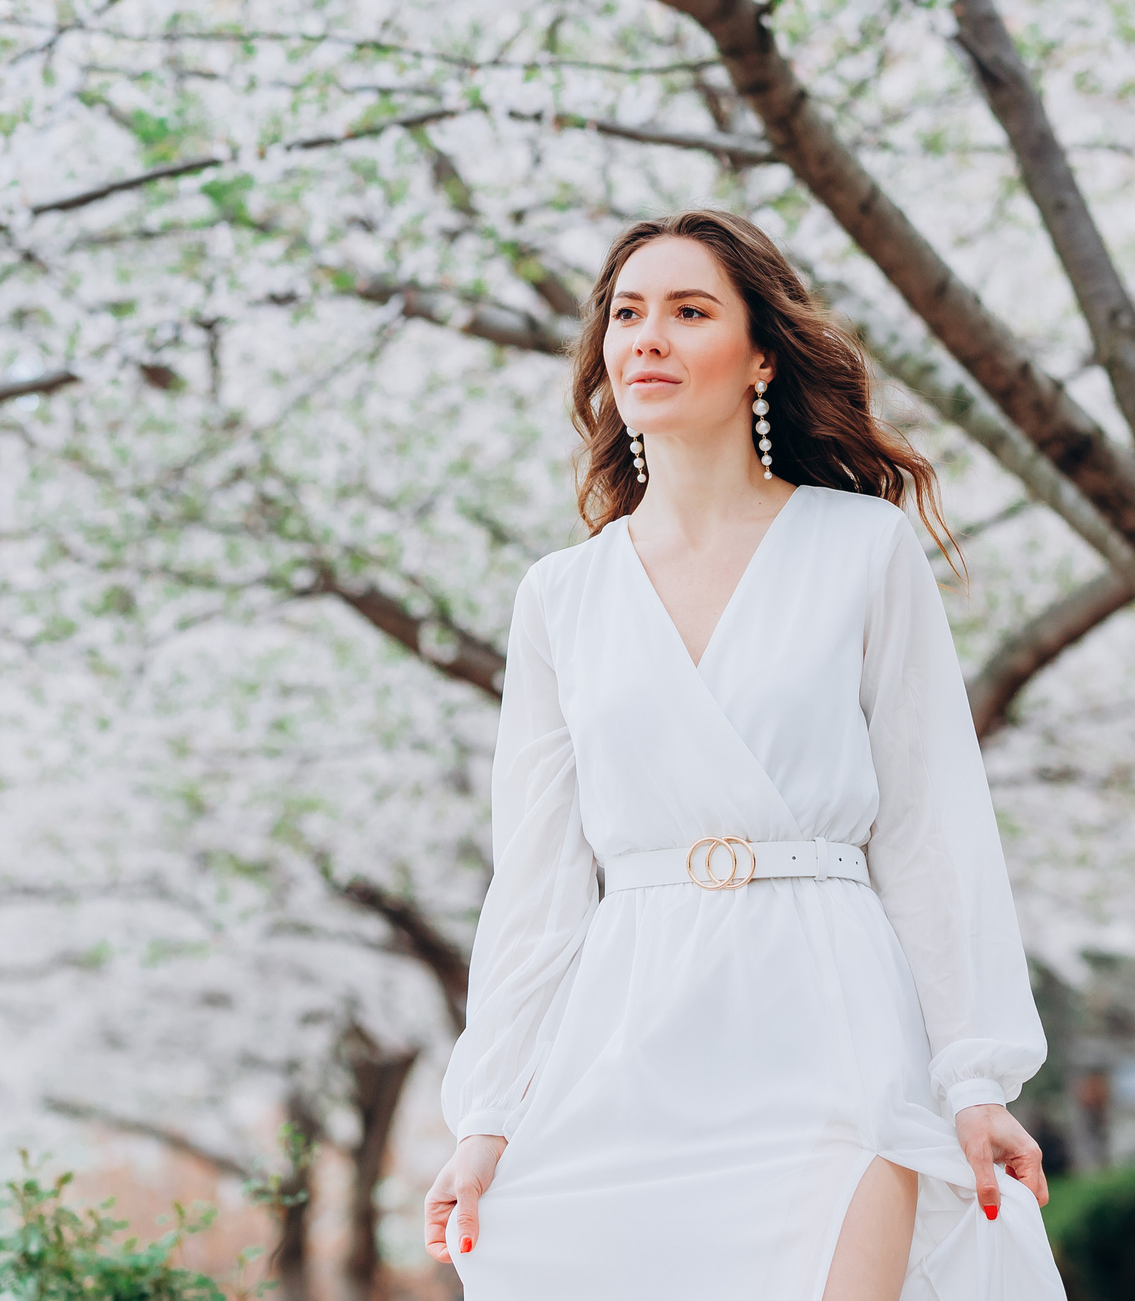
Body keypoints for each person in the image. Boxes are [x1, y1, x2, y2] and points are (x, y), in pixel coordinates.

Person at [423, 210, 1065, 1300]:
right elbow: (535, 884)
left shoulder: (862, 548)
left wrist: (972, 1076)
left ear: (761, 353)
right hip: (628, 1033)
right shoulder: (562, 597)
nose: (647, 339)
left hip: (829, 1014)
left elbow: (926, 826)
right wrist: (485, 1116)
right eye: (626, 314)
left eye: (688, 311)